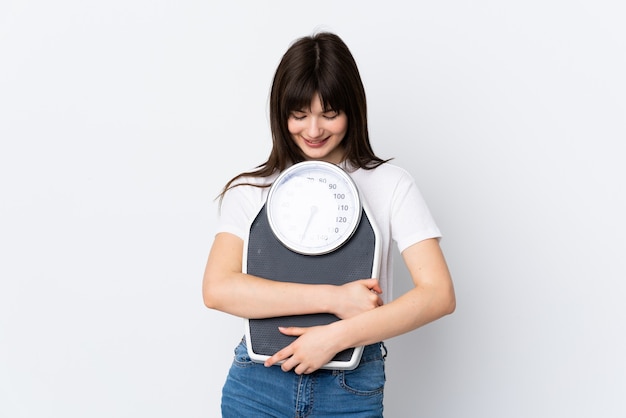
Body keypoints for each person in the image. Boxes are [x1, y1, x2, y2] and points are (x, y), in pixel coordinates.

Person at [202, 31, 456, 417]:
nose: (314, 130)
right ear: (280, 113)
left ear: (353, 110)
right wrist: (334, 299)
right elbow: (218, 289)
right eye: (299, 115)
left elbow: (438, 294)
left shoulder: (389, 185)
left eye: (330, 114)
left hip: (348, 387)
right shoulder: (253, 190)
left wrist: (337, 336)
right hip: (258, 384)